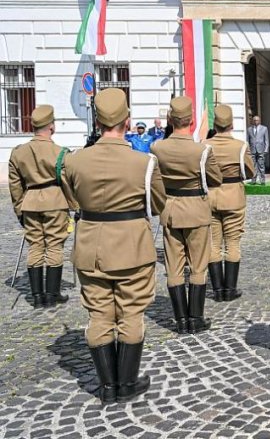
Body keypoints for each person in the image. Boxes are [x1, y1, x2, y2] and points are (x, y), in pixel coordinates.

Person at [64, 88, 167, 403]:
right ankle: (127, 384)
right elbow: (159, 203)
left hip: (90, 246)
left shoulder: (73, 161)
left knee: (99, 314)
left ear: (97, 121)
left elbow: (72, 201)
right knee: (131, 313)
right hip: (131, 246)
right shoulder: (145, 162)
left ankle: (108, 386)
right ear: (127, 120)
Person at [152, 96, 223, 335]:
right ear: (192, 120)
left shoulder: (157, 148)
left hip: (170, 209)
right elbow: (216, 179)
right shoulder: (202, 150)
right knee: (198, 266)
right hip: (196, 209)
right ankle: (196, 318)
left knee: (173, 267)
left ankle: (180, 320)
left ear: (170, 120)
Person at [8, 104, 75, 309]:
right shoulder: (61, 153)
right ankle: (52, 294)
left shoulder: (18, 152)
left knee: (35, 246)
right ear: (52, 127)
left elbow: (14, 184)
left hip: (30, 202)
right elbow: (68, 182)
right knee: (54, 245)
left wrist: (20, 208)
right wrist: (74, 206)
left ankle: (37, 296)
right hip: (55, 201)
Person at [207, 104, 255, 302]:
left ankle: (217, 289)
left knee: (213, 244)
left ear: (215, 124)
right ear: (231, 124)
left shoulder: (204, 144)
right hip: (233, 195)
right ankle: (230, 289)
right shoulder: (240, 146)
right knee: (233, 243)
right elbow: (250, 172)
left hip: (210, 196)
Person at [247, 115, 269, 185]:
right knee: (253, 166)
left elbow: (266, 140)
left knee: (261, 165)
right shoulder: (249, 129)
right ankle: (253, 179)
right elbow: (247, 140)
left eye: (257, 120)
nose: (256, 121)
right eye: (254, 120)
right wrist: (248, 150)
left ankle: (262, 180)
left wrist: (266, 149)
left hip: (261, 149)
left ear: (259, 121)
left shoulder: (264, 128)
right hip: (252, 150)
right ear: (252, 121)